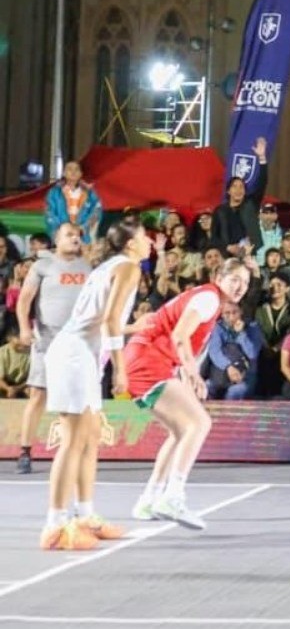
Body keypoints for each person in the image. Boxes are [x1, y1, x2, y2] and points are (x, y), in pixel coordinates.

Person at [40, 217, 150, 550]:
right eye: (146, 236)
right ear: (131, 243)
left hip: (81, 353)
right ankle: (55, 525)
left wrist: (129, 332)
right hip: (74, 354)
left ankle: (85, 515)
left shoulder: (111, 265)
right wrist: (120, 368)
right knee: (73, 441)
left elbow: (101, 320)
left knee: (89, 439)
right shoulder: (129, 268)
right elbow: (112, 319)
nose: (151, 242)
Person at [126, 258, 251, 530]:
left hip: (144, 359)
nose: (241, 286)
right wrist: (194, 374)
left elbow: (178, 339)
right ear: (219, 276)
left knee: (180, 431)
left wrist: (184, 374)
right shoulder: (209, 298)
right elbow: (180, 336)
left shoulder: (207, 299)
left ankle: (149, 499)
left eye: (246, 282)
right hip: (148, 359)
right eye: (235, 279)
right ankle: (173, 497)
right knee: (200, 423)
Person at [15, 224, 91, 474]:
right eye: (69, 235)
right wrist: (25, 329)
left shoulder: (87, 266)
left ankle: (74, 450)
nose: (75, 239)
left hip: (79, 342)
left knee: (76, 398)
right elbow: (24, 300)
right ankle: (25, 451)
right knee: (38, 395)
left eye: (77, 235)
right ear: (56, 240)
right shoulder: (42, 266)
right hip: (47, 340)